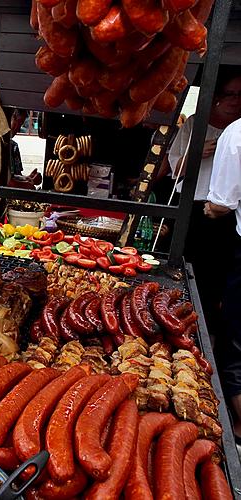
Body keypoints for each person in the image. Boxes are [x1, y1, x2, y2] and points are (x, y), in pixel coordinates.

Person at [169, 69, 241, 335]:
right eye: (230, 94)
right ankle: (178, 322)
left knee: (217, 276)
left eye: (240, 95)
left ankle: (204, 328)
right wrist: (198, 152)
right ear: (217, 97)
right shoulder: (195, 124)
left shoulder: (239, 131)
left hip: (227, 215)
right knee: (186, 269)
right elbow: (175, 168)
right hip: (193, 207)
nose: (235, 100)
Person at [205, 116, 241, 443]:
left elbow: (220, 205)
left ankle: (239, 429)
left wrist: (208, 209)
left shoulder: (238, 133)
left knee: (235, 341)